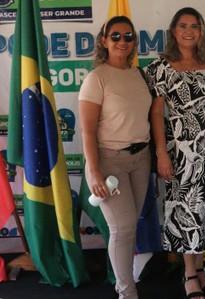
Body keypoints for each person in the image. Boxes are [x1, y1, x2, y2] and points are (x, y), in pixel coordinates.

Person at [146, 7, 205, 299]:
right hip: (182, 151)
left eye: (194, 26)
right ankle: (189, 274)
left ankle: (200, 268)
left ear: (201, 31)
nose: (189, 31)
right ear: (173, 31)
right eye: (183, 26)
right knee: (187, 208)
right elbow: (156, 114)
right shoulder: (160, 66)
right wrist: (161, 153)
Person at [79, 16, 152, 299]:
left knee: (129, 227)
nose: (123, 41)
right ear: (104, 40)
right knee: (121, 228)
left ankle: (125, 285)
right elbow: (87, 131)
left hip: (141, 160)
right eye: (116, 36)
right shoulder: (97, 78)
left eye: (128, 36)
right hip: (109, 162)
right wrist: (94, 171)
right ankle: (126, 292)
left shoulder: (139, 75)